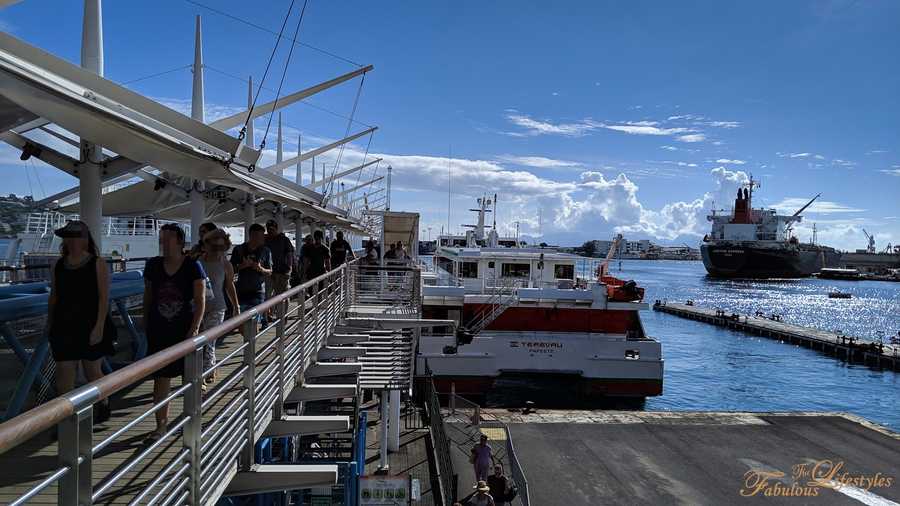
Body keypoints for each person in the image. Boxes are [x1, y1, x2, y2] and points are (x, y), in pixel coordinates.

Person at [47, 221, 115, 422]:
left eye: (77, 236)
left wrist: (99, 326)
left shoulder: (97, 263)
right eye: (69, 236)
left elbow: (104, 298)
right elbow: (55, 295)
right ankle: (66, 420)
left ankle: (103, 402)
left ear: (85, 239)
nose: (73, 240)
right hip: (64, 323)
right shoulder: (58, 264)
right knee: (64, 374)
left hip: (90, 323)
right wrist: (50, 321)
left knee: (92, 371)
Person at [143, 224, 205, 441]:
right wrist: (146, 321)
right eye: (162, 238)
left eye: (168, 238)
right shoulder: (152, 265)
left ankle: (194, 420)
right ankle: (161, 426)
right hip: (159, 329)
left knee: (190, 378)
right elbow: (148, 295)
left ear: (179, 242)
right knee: (161, 378)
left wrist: (195, 328)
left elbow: (200, 300)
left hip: (184, 330)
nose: (164, 242)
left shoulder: (192, 267)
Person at [198, 228, 239, 386]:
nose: (217, 251)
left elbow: (230, 286)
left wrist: (236, 306)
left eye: (221, 248)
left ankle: (204, 375)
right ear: (206, 245)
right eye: (214, 247)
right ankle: (210, 368)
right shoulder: (197, 262)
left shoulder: (225, 264)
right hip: (197, 308)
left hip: (217, 307)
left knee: (209, 341)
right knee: (199, 342)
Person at [230, 223, 272, 318]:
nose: (262, 238)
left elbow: (270, 271)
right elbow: (230, 270)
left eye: (262, 236)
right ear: (251, 236)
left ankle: (253, 331)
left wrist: (261, 269)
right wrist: (242, 266)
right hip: (241, 290)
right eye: (259, 236)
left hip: (258, 291)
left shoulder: (266, 251)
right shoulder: (238, 249)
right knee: (241, 321)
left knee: (253, 320)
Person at [264, 219, 294, 300]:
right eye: (268, 229)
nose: (270, 231)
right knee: (268, 296)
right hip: (269, 273)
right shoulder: (265, 240)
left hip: (282, 273)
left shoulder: (284, 239)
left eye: (272, 229)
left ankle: (283, 312)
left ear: (276, 229)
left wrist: (289, 270)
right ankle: (270, 312)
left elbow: (289, 255)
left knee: (283, 297)